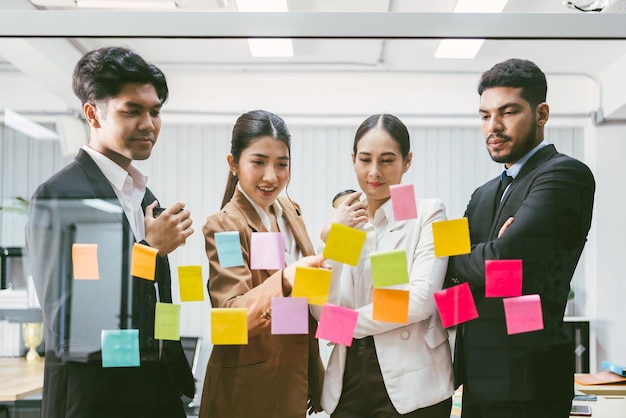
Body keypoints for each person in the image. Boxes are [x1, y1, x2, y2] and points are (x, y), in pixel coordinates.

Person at [25, 46, 195, 418]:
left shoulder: (143, 195)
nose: (149, 124)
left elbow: (152, 298)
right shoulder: (59, 195)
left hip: (156, 390)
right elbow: (66, 316)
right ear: (93, 114)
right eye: (131, 110)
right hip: (94, 397)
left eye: (155, 111)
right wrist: (149, 249)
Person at [446, 58, 595, 418]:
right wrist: (486, 260)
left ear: (541, 114)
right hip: (474, 379)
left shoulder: (564, 175)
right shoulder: (481, 194)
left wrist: (484, 259)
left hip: (531, 381)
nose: (493, 127)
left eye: (507, 112)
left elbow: (505, 264)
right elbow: (446, 270)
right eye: (484, 116)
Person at [315, 114, 454, 417]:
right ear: (353, 160)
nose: (374, 172)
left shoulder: (430, 212)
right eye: (365, 160)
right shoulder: (346, 222)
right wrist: (334, 239)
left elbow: (419, 302)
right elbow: (320, 310)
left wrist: (345, 324)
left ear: (407, 161)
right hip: (347, 378)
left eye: (387, 160)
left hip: (415, 383)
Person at [198, 110, 326, 418]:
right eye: (258, 162)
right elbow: (230, 319)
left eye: (282, 164)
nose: (272, 176)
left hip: (293, 382)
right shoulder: (226, 226)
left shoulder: (289, 212)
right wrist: (284, 280)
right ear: (234, 164)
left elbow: (303, 305)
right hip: (247, 392)